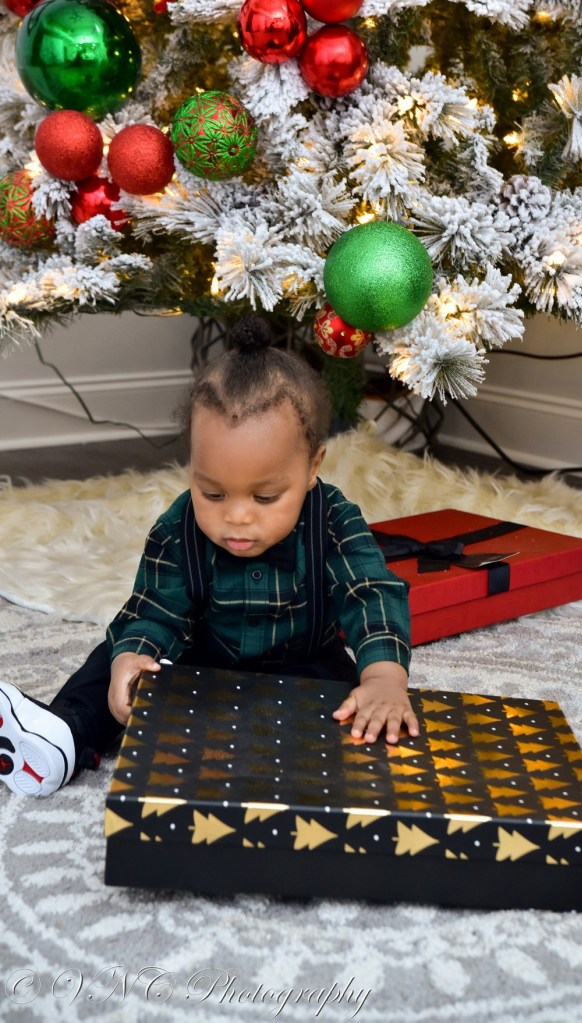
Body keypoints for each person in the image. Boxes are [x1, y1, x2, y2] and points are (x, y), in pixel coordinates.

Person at [0, 317, 417, 798]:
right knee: (111, 661)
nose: (236, 517)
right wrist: (134, 656)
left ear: (312, 467)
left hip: (303, 666)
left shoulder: (333, 519)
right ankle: (64, 738)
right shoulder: (178, 527)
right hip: (201, 665)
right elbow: (154, 609)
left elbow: (371, 593)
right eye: (213, 493)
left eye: (265, 497)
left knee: (349, 703)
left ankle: (316, 763)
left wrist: (384, 677)